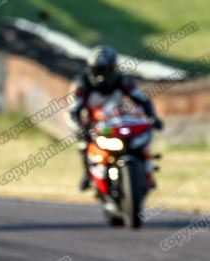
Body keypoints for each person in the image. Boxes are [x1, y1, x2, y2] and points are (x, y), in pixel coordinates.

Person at [69, 45, 163, 191]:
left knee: (141, 140)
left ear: (113, 68)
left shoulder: (124, 80)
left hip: (120, 121)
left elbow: (142, 99)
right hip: (96, 123)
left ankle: (147, 172)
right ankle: (87, 174)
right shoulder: (81, 83)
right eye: (98, 69)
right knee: (83, 143)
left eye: (105, 69)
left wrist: (153, 117)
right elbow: (73, 111)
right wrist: (80, 127)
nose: (101, 75)